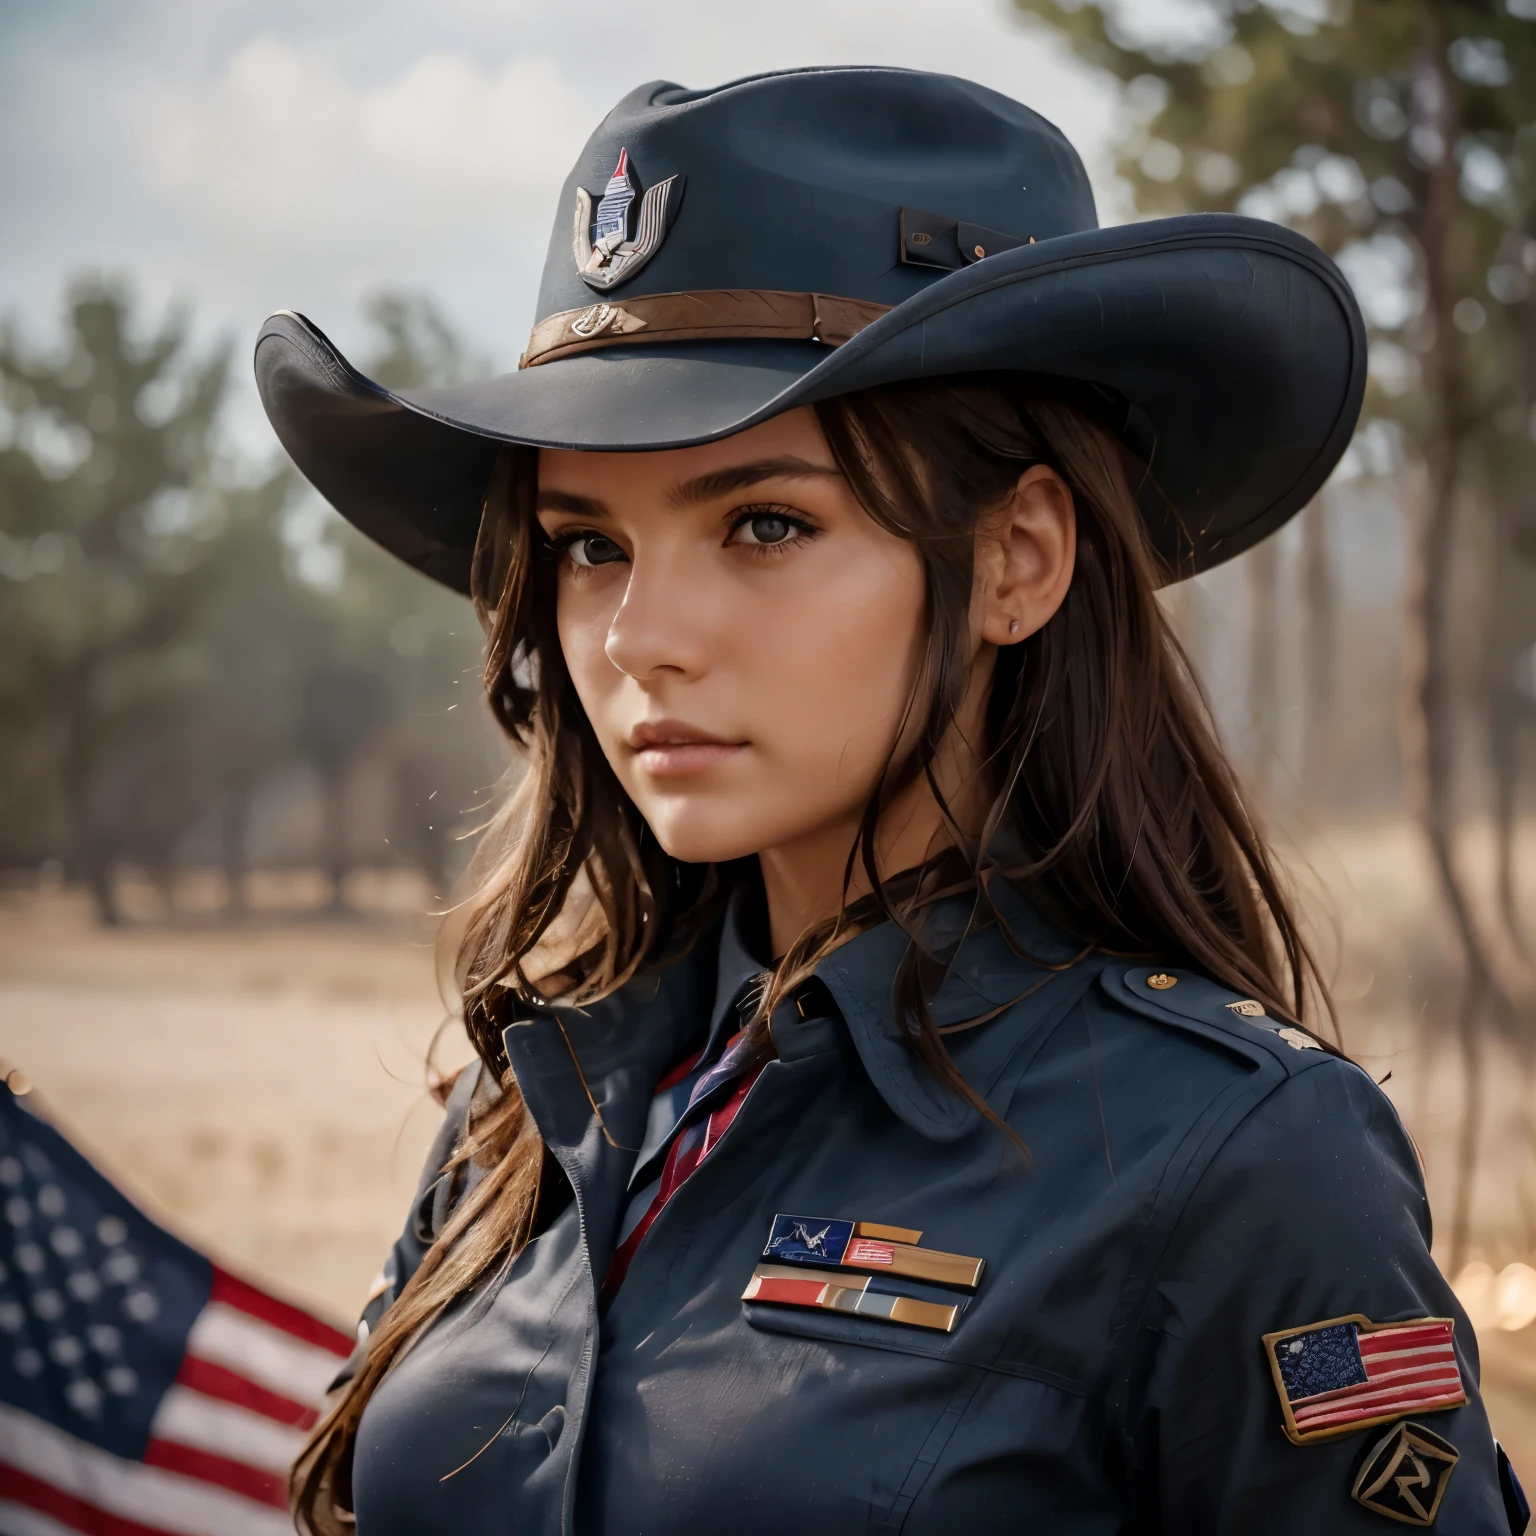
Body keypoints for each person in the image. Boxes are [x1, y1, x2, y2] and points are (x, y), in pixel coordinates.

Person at [256, 66, 1527, 1536]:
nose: (634, 634)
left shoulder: (1240, 1162)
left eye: (765, 524)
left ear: (1017, 560)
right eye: (588, 544)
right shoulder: (540, 1096)